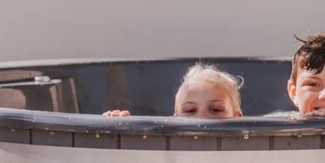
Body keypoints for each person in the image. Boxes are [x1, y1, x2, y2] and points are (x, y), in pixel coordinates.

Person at [103, 63, 244, 119]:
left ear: (238, 118)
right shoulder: (166, 148)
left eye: (215, 109)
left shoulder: (246, 152)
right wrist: (119, 132)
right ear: (175, 119)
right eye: (190, 110)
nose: (201, 118)